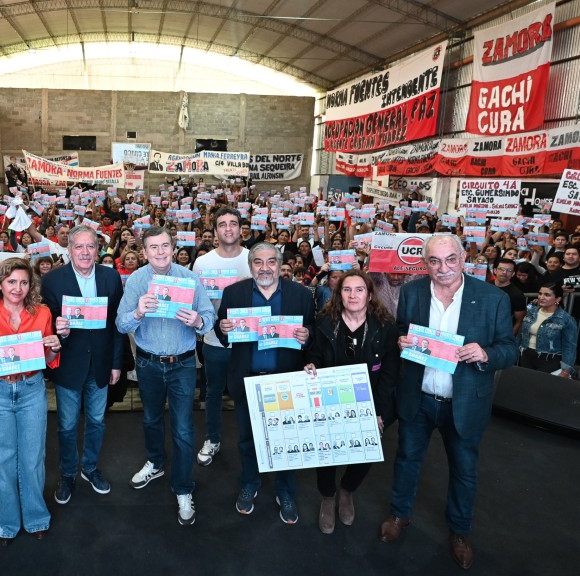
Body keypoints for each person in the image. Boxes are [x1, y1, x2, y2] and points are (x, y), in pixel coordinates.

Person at [379, 234, 518, 570]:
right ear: (424, 263)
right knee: (407, 459)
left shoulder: (492, 298)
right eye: (434, 261)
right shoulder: (412, 292)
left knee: (464, 471)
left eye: (450, 260)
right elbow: (401, 329)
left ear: (463, 257)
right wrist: (400, 340)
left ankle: (459, 531)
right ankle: (400, 515)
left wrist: (486, 353)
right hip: (419, 397)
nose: (443, 268)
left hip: (464, 401)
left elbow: (510, 349)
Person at [116, 226, 216, 526]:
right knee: (150, 419)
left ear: (173, 247)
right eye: (153, 247)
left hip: (183, 364)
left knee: (184, 429)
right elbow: (121, 324)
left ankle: (183, 488)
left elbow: (209, 316)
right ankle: (156, 463)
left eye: (165, 246)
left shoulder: (190, 279)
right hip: (147, 363)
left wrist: (199, 320)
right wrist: (137, 313)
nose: (160, 252)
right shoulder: (136, 280)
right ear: (144, 252)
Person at [0, 258, 62, 545]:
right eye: (12, 281)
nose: (17, 287)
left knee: (33, 458)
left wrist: (54, 348)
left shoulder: (42, 313)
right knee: (2, 459)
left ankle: (36, 517)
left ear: (31, 285)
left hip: (31, 389)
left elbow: (47, 360)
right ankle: (7, 521)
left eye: (24, 282)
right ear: (0, 283)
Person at [215, 242, 312, 522]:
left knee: (287, 438)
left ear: (281, 265)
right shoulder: (233, 293)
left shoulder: (301, 295)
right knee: (247, 439)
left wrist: (308, 336)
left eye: (271, 261)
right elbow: (224, 331)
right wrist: (223, 328)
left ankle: (286, 491)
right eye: (258, 262)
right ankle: (250, 483)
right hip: (247, 381)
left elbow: (313, 330)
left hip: (285, 382)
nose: (265, 267)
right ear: (251, 266)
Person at [304, 270, 398, 534]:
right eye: (347, 290)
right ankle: (328, 496)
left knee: (364, 451)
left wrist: (378, 412)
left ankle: (347, 490)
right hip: (331, 400)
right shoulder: (325, 321)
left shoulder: (385, 325)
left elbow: (390, 373)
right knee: (327, 451)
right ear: (339, 294)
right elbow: (315, 355)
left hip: (371, 400)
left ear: (369, 295)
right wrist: (311, 365)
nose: (353, 295)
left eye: (359, 290)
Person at [41, 225, 125, 504]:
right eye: (80, 247)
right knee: (66, 426)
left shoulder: (111, 277)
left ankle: (89, 468)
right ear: (69, 250)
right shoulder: (52, 281)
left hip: (101, 364)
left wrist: (116, 363)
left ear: (98, 249)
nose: (86, 252)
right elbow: (44, 323)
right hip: (69, 364)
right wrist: (57, 326)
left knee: (97, 422)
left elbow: (116, 325)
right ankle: (67, 473)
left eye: (91, 246)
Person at [192, 207, 252, 468]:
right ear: (215, 231)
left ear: (241, 229)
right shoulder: (203, 263)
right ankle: (213, 439)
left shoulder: (254, 259)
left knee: (249, 394)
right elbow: (196, 301)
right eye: (222, 224)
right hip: (214, 341)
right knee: (213, 393)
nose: (228, 228)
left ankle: (252, 443)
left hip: (249, 342)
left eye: (233, 224)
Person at [518, 282, 577, 378]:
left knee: (542, 390)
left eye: (547, 295)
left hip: (549, 360)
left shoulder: (566, 319)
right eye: (540, 293)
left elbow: (569, 346)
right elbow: (520, 335)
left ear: (557, 299)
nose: (541, 297)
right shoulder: (531, 312)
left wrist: (566, 370)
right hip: (526, 356)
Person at [491, 258, 527, 336]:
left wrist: (509, 339)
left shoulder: (517, 294)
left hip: (502, 334)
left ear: (513, 274)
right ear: (495, 270)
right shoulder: (485, 286)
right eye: (501, 269)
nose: (504, 272)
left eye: (509, 270)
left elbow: (519, 321)